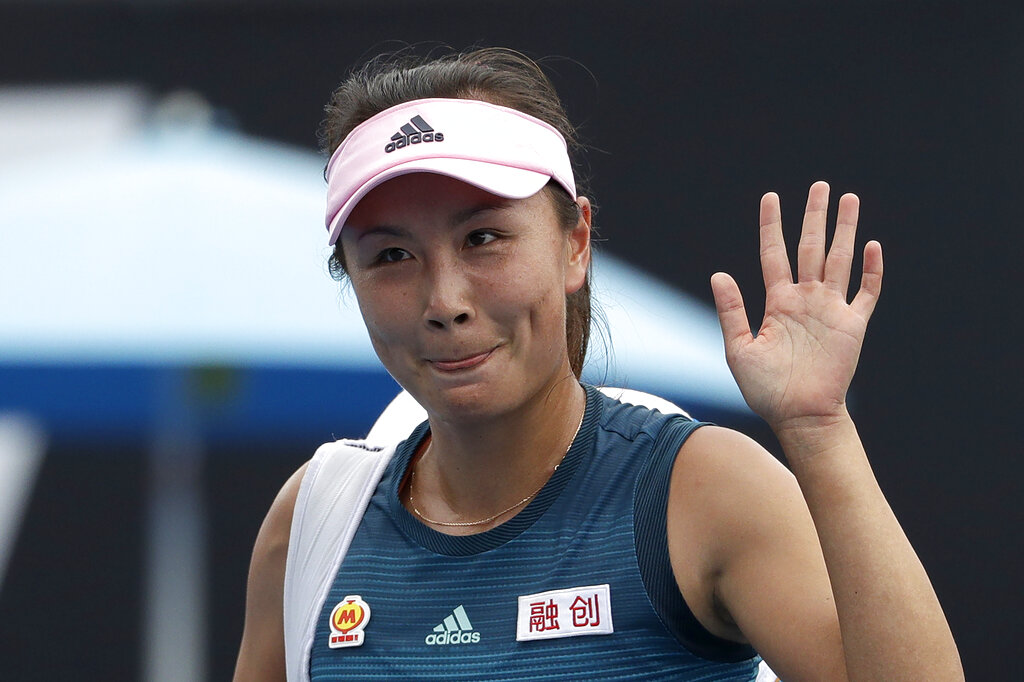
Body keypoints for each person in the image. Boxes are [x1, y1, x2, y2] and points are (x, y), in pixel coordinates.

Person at [234, 48, 963, 681]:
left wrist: (819, 429)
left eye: (484, 238)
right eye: (391, 255)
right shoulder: (314, 522)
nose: (444, 300)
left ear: (575, 244)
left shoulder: (696, 490)